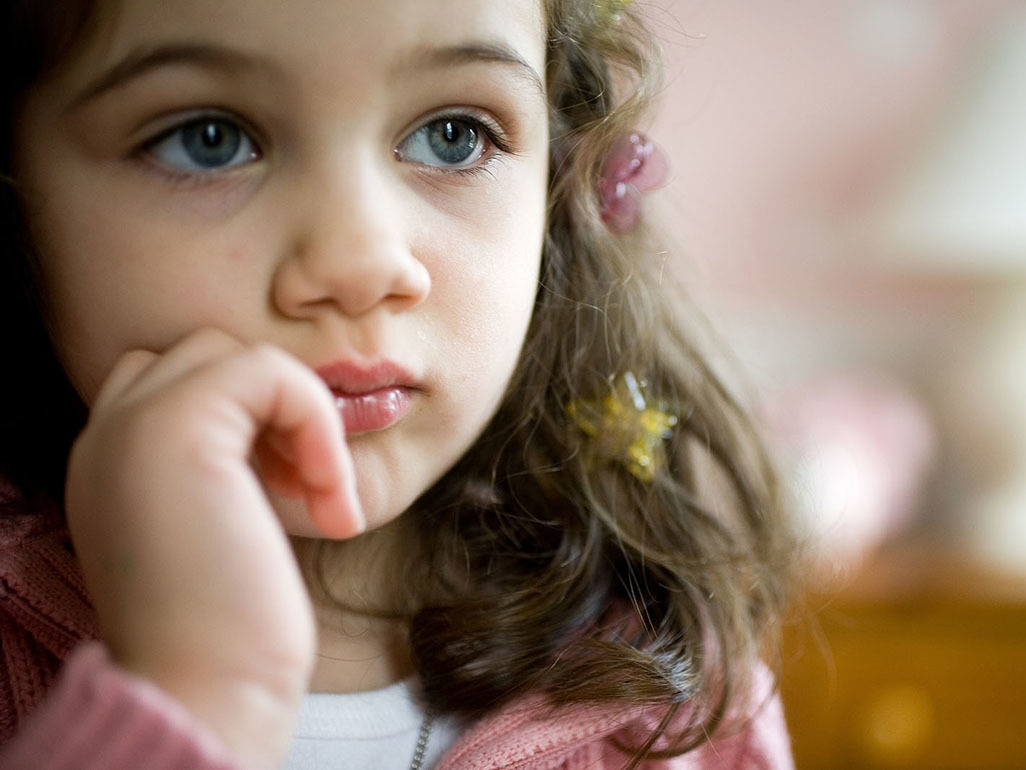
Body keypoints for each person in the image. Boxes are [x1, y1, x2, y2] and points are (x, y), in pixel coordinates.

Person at [0, 0, 797, 767]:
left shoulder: (668, 693)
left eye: (453, 137)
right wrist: (182, 700)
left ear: (558, 188)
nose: (361, 266)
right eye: (207, 140)